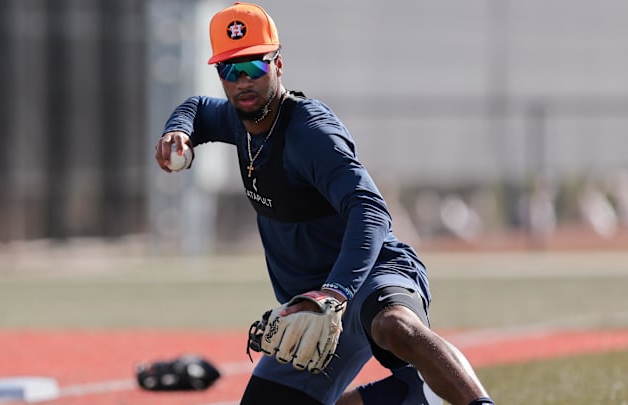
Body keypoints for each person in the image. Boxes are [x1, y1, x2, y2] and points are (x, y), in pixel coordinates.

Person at [155, 3, 494, 404]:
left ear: (278, 64)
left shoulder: (310, 131)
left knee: (394, 326)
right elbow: (195, 108)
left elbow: (370, 210)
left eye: (254, 67)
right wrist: (177, 131)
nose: (242, 81)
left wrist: (335, 292)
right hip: (312, 306)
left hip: (367, 276)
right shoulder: (235, 117)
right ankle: (420, 394)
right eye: (229, 70)